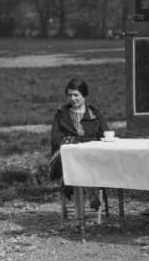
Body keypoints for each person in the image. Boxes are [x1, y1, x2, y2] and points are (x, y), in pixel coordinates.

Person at [49, 78, 109, 209]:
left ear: (84, 95)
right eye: (69, 95)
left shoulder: (94, 113)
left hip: (90, 156)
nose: (72, 98)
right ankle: (91, 193)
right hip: (65, 157)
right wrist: (73, 143)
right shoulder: (61, 113)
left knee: (83, 160)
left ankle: (84, 204)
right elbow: (55, 138)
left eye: (76, 95)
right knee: (75, 159)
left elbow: (105, 134)